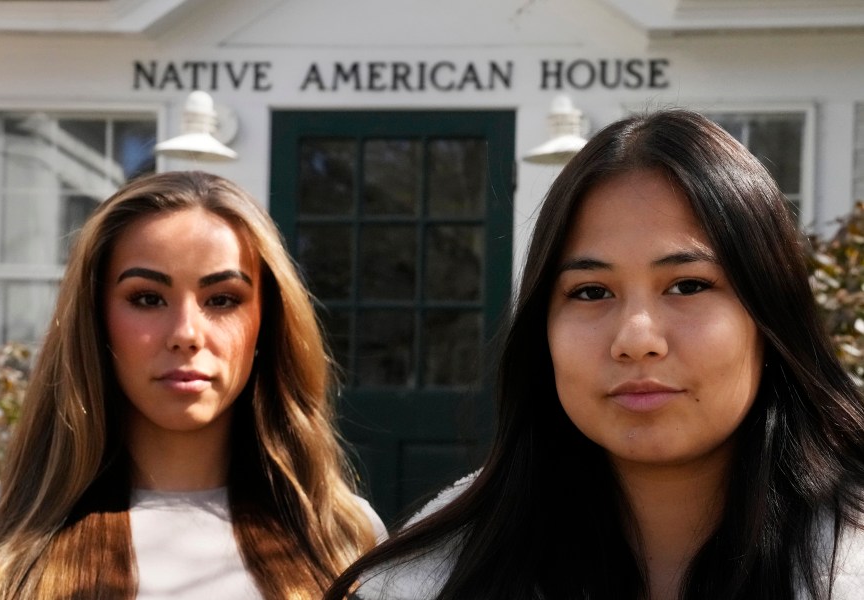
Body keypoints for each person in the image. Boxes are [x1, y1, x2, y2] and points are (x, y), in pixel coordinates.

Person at [324, 109, 864, 600]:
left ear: (769, 316)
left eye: (688, 285)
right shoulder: (424, 581)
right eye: (590, 292)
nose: (636, 338)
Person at [0, 171, 386, 599]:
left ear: (268, 322)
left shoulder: (345, 536)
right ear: (96, 322)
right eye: (147, 298)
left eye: (222, 299)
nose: (186, 333)